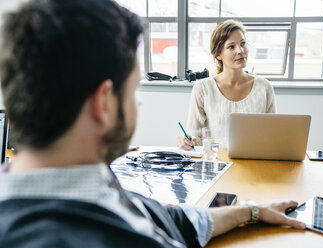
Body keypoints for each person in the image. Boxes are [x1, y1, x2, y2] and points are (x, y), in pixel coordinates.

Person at [0, 0, 305, 247]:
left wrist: (251, 211)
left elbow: (176, 220)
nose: (139, 103)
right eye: (134, 89)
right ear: (103, 104)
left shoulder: (86, 185)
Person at [177, 20, 276, 150]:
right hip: (216, 164)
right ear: (218, 54)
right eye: (231, 47)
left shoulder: (264, 87)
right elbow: (195, 135)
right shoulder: (203, 88)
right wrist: (187, 140)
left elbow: (273, 134)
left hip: (255, 163)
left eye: (243, 44)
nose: (240, 51)